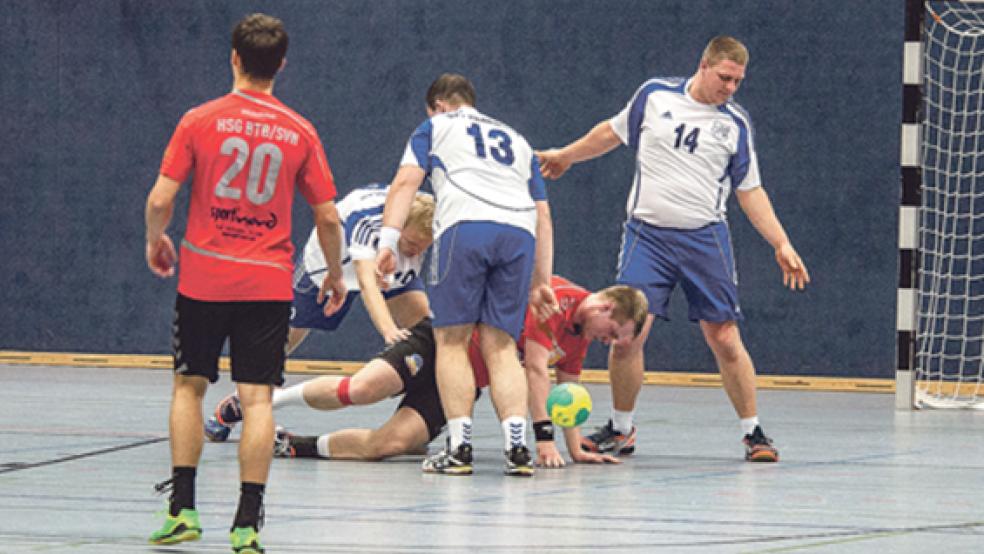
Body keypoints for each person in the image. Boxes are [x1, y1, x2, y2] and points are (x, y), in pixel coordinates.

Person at [536, 36, 810, 463]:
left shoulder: (734, 124)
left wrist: (781, 242)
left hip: (705, 238)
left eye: (738, 81)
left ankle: (753, 432)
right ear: (703, 66)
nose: (730, 88)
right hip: (648, 237)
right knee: (627, 334)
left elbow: (750, 190)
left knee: (724, 336)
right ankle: (621, 429)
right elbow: (609, 132)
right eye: (725, 77)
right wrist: (567, 155)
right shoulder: (654, 95)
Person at [143, 14, 346, 553]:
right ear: (281, 64)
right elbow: (328, 217)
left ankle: (182, 509)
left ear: (233, 57)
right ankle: (246, 524)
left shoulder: (199, 120)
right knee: (258, 400)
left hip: (205, 276)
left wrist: (155, 239)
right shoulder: (299, 130)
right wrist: (333, 272)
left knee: (190, 385)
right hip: (267, 283)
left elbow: (161, 199)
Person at [376, 74, 558, 476]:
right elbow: (543, 213)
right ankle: (518, 449)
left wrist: (387, 240)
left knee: (452, 340)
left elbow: (406, 181)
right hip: (518, 234)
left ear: (439, 104)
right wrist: (541, 280)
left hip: (466, 227)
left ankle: (459, 449)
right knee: (502, 346)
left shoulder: (435, 126)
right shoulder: (518, 139)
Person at [267, 277, 646, 467]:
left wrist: (576, 448)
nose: (607, 342)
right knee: (363, 389)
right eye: (612, 334)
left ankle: (293, 444)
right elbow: (535, 371)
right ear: (606, 307)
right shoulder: (554, 299)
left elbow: (567, 389)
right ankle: (268, 401)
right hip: (437, 345)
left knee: (389, 445)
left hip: (460, 384)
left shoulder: (580, 335)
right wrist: (544, 440)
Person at [203, 184, 433, 442]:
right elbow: (368, 283)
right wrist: (389, 331)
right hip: (330, 267)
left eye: (424, 247)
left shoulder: (431, 218)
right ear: (396, 227)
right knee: (280, 341)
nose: (417, 252)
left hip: (391, 268)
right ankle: (239, 403)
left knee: (426, 330)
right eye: (412, 243)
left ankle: (425, 412)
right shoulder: (369, 221)